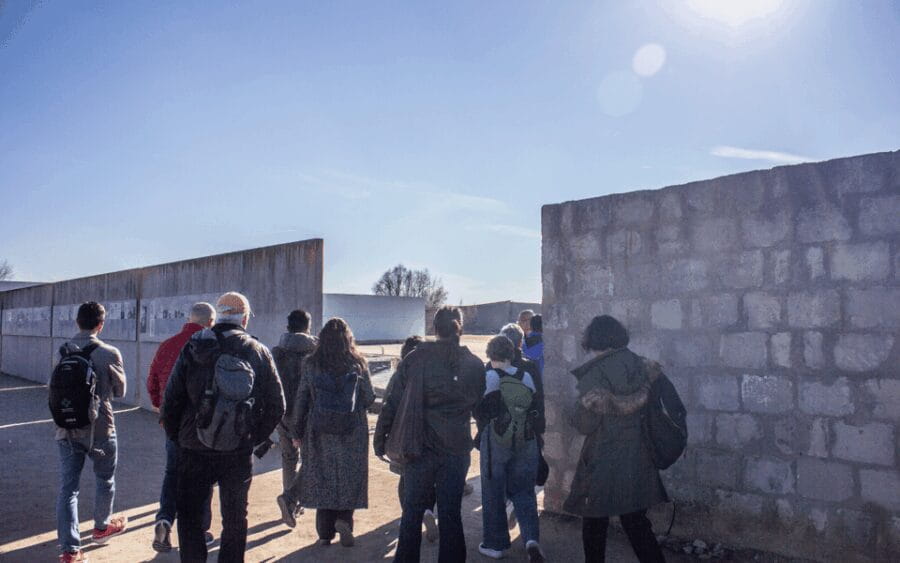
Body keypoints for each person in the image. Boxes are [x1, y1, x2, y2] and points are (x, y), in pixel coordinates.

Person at [162, 292, 285, 563]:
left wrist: (178, 437)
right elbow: (277, 405)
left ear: (216, 317)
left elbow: (171, 399)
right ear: (244, 319)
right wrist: (252, 437)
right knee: (235, 518)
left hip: (193, 447)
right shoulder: (258, 351)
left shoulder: (195, 346)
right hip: (237, 449)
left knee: (190, 515)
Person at [378, 306, 485, 563]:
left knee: (412, 512)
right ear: (460, 327)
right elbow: (480, 405)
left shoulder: (416, 358)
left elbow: (393, 400)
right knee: (450, 514)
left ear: (434, 329)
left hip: (419, 446)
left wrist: (380, 437)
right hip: (456, 448)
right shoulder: (473, 364)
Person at [565, 315, 667, 563]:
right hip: (638, 458)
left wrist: (576, 409)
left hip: (604, 460)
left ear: (594, 339)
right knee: (636, 523)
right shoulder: (643, 365)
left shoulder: (597, 372)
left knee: (594, 523)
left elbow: (584, 424)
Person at [54, 301, 129, 562]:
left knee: (68, 489)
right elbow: (121, 392)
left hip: (67, 428)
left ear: (77, 322)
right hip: (100, 428)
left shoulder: (62, 350)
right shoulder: (110, 352)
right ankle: (101, 527)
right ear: (101, 324)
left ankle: (69, 551)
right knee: (104, 479)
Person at [290, 317, 375, 547]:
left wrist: (296, 430)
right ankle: (345, 520)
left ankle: (325, 533)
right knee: (348, 476)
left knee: (322, 476)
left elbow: (302, 398)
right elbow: (368, 397)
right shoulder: (358, 363)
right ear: (348, 339)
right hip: (352, 430)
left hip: (319, 429)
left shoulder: (311, 364)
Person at [148, 302, 217, 552]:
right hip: (201, 424)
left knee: (173, 472)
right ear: (210, 322)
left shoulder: (167, 345)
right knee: (204, 477)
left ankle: (165, 519)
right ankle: (202, 529)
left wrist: (160, 408)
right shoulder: (211, 346)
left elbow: (152, 380)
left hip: (172, 423)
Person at [476, 335, 545, 562]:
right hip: (526, 439)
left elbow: (479, 411)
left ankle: (495, 544)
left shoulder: (489, 378)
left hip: (496, 441)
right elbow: (535, 407)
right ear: (512, 353)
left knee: (493, 491)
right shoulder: (525, 377)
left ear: (490, 354)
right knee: (524, 491)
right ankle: (531, 539)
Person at [373, 336, 440, 542]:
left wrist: (380, 438)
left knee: (405, 479)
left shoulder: (399, 376)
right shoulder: (434, 374)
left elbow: (387, 407)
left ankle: (409, 515)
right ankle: (428, 511)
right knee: (429, 479)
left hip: (403, 437)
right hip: (429, 437)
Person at [496, 323, 546, 528]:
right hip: (527, 430)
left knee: (501, 475)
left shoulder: (491, 366)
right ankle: (527, 529)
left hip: (501, 432)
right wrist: (539, 428)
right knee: (525, 478)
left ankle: (504, 516)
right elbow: (538, 399)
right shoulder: (530, 367)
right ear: (520, 342)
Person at [274, 309, 318, 528]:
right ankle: (292, 500)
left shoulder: (277, 351)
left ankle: (289, 500)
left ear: (287, 326)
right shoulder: (316, 352)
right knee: (312, 459)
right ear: (308, 326)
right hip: (309, 413)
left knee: (288, 457)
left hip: (282, 413)